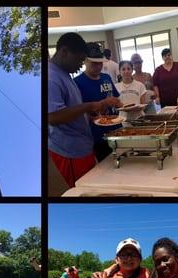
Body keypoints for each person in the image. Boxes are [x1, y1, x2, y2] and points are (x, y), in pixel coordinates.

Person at [48, 32, 122, 188]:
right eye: (80, 60)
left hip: (82, 147)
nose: (80, 65)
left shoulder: (64, 74)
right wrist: (89, 106)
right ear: (64, 52)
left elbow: (71, 108)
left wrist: (87, 116)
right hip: (69, 150)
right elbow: (53, 117)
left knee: (93, 186)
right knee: (82, 190)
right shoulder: (51, 77)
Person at [74, 43, 122, 162]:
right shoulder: (77, 83)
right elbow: (79, 111)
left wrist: (120, 104)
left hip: (117, 129)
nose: (98, 66)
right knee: (106, 166)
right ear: (85, 61)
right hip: (97, 135)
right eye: (94, 63)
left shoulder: (106, 77)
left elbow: (117, 100)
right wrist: (102, 104)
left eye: (100, 62)